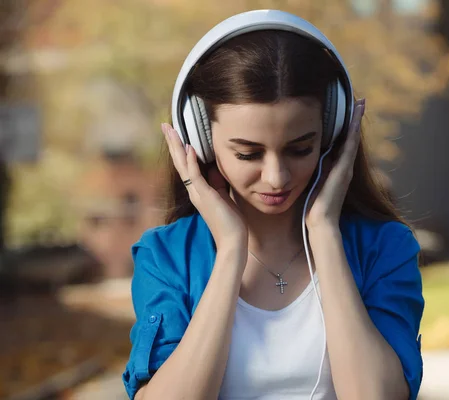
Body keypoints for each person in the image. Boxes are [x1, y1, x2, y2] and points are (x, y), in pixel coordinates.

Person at [122, 10, 424, 400]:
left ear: (331, 134)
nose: (277, 177)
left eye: (300, 149)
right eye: (248, 154)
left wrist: (325, 233)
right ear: (200, 140)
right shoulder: (166, 256)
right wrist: (232, 250)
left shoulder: (385, 247)